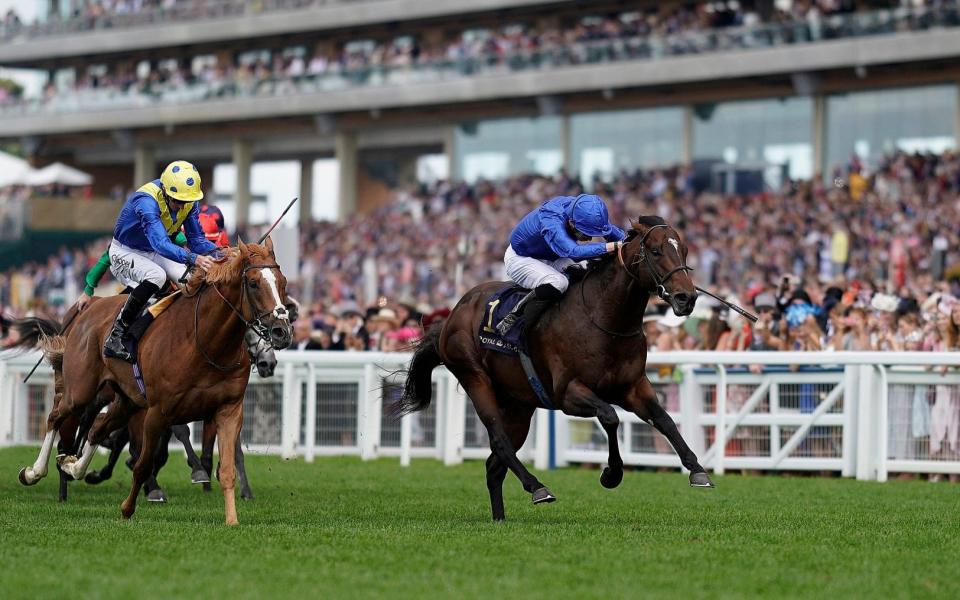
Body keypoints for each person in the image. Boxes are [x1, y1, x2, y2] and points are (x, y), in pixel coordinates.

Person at [101, 160, 221, 362]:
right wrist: (193, 258)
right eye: (177, 201)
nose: (182, 206)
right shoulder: (146, 202)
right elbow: (161, 244)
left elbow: (197, 241)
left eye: (186, 201)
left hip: (152, 250)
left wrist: (224, 253)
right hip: (124, 251)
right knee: (157, 276)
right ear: (165, 191)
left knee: (191, 281)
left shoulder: (189, 201)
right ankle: (116, 336)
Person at [495, 193, 625, 336]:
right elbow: (573, 251)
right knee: (559, 282)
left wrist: (631, 242)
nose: (589, 238)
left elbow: (613, 233)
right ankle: (515, 317)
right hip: (521, 258)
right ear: (572, 223)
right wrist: (611, 246)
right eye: (586, 233)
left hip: (552, 256)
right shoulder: (552, 221)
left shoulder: (580, 210)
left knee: (588, 268)